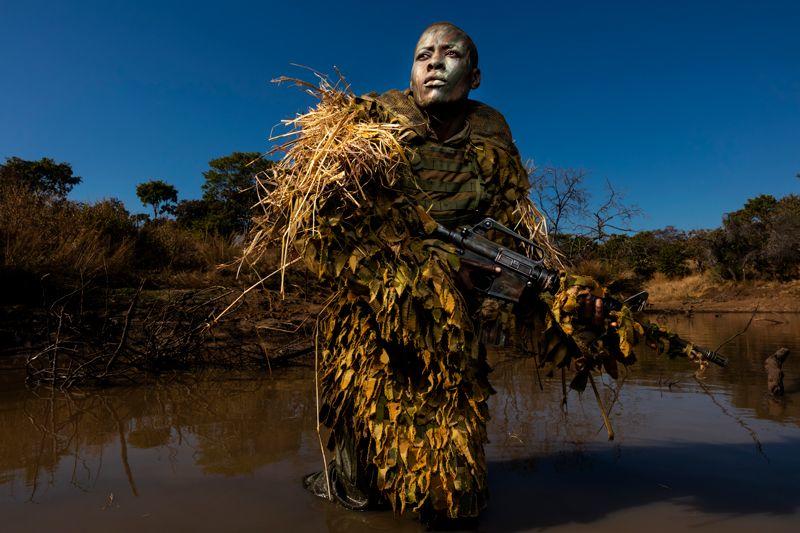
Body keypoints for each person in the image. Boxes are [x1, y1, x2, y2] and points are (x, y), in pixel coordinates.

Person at [299, 21, 578, 523]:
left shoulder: (492, 134)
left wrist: (525, 288)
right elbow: (326, 224)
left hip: (455, 314)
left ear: (474, 75)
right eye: (423, 54)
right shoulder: (371, 123)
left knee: (452, 470)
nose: (434, 62)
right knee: (362, 455)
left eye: (450, 54)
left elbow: (512, 230)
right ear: (411, 72)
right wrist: (411, 266)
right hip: (373, 308)